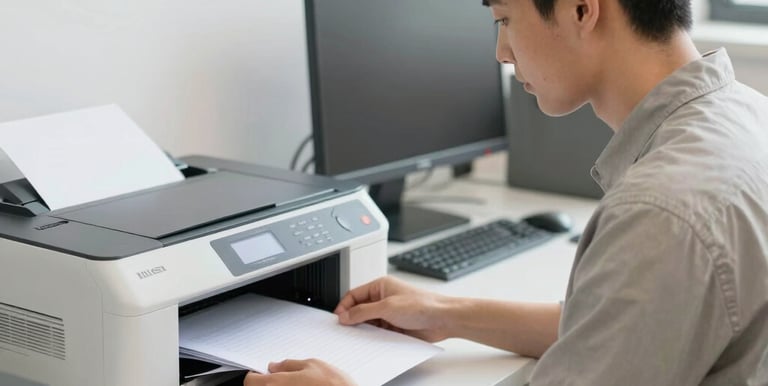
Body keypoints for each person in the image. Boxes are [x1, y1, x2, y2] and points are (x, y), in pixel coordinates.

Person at [245, 0, 768, 384]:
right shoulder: (746, 114)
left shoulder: (660, 212)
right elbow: (625, 329)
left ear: (581, 9)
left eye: (504, 20)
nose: (501, 52)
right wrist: (448, 314)